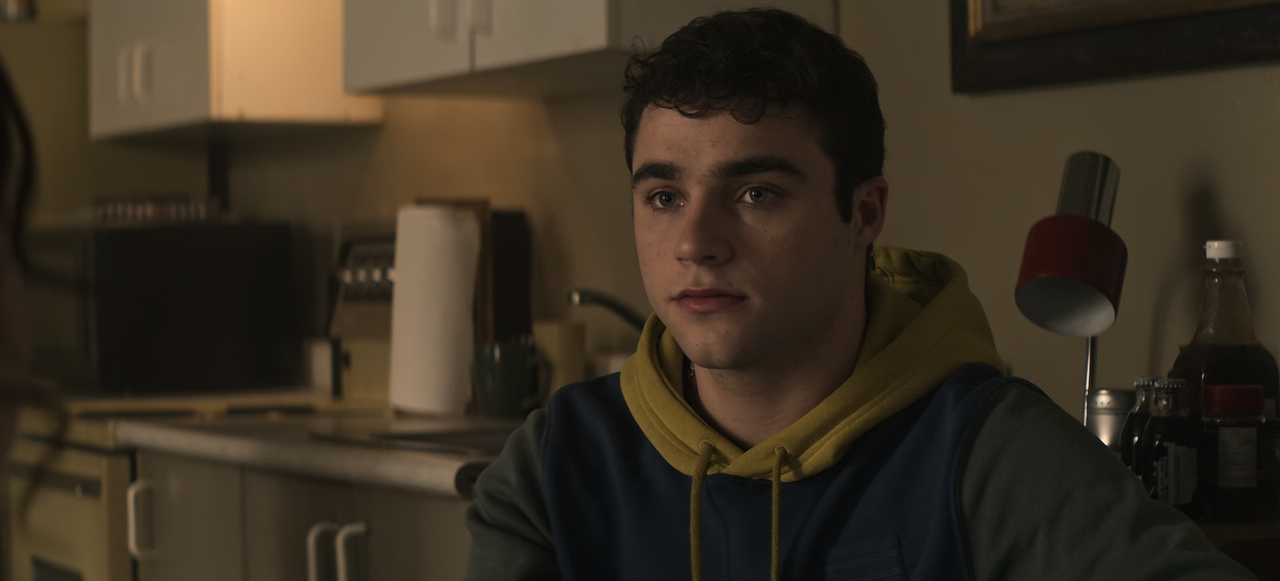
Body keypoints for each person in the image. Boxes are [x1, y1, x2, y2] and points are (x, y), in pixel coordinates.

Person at [464, 9, 1254, 580]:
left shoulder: (987, 451)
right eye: (664, 197)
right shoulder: (556, 462)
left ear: (864, 214)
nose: (695, 242)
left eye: (757, 193)